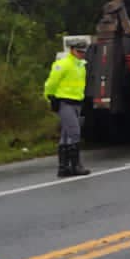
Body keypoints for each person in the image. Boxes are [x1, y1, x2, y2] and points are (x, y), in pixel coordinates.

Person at [44, 39, 91, 178]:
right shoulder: (63, 64)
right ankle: (76, 166)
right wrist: (50, 97)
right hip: (65, 102)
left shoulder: (81, 65)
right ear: (72, 50)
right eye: (79, 52)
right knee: (75, 132)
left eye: (83, 52)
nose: (82, 54)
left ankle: (63, 168)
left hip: (77, 102)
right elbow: (51, 82)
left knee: (66, 135)